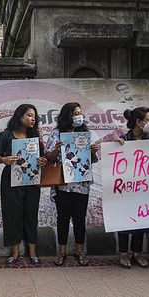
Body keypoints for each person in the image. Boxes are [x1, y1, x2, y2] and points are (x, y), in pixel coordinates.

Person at [45, 102, 98, 267]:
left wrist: (92, 151)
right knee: (62, 218)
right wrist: (57, 150)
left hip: (81, 183)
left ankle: (79, 250)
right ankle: (62, 251)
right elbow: (49, 157)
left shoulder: (85, 133)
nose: (79, 116)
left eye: (80, 113)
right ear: (68, 115)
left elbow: (90, 159)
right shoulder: (56, 134)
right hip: (63, 183)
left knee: (80, 218)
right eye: (76, 113)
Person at [0, 104, 46, 266]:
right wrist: (4, 160)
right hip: (11, 181)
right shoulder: (6, 135)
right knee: (13, 216)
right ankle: (14, 253)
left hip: (31, 181)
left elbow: (42, 158)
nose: (33, 119)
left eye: (34, 117)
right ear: (20, 117)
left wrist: (42, 161)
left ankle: (32, 252)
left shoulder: (35, 137)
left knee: (31, 215)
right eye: (29, 115)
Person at [114, 107, 149, 268]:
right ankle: (124, 254)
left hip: (143, 189)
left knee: (140, 220)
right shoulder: (123, 139)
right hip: (126, 190)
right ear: (139, 122)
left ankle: (137, 253)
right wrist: (116, 146)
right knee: (125, 220)